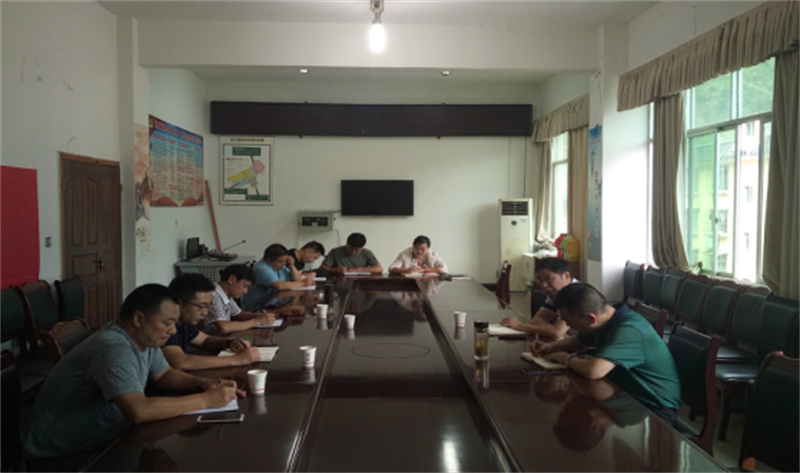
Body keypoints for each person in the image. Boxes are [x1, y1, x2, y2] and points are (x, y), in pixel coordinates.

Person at [24, 284, 243, 473]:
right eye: (167, 322)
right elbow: (139, 411)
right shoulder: (114, 348)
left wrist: (201, 383)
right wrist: (206, 400)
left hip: (111, 438)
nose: (173, 330)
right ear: (138, 318)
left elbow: (164, 374)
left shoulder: (145, 338)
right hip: (70, 458)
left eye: (175, 323)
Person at [531, 283, 681, 425]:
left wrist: (567, 359)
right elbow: (577, 342)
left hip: (653, 407)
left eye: (570, 322)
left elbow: (594, 371)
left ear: (591, 318)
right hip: (623, 395)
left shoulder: (629, 330)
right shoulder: (607, 318)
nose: (568, 326)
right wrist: (549, 347)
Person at [163, 273, 263, 370]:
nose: (205, 313)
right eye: (201, 307)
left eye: (207, 307)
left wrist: (229, 342)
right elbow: (180, 362)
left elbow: (205, 340)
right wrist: (237, 360)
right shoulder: (166, 327)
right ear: (179, 303)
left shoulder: (185, 323)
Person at [500, 257, 578, 339]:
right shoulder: (556, 293)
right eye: (540, 280)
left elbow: (557, 332)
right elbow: (537, 319)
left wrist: (519, 326)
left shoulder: (576, 294)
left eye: (548, 279)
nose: (544, 285)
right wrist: (551, 331)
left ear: (566, 276)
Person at [199, 264, 277, 336]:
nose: (245, 292)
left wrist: (260, 316)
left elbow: (239, 314)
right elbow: (224, 327)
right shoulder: (214, 295)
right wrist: (257, 321)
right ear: (232, 279)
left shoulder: (227, 294)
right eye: (245, 286)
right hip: (209, 342)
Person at [241, 244, 317, 311]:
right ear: (268, 260)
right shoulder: (262, 268)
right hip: (254, 307)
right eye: (280, 261)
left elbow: (297, 279)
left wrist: (291, 265)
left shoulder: (280, 267)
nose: (284, 263)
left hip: (273, 303)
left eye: (285, 261)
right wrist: (303, 283)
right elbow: (279, 286)